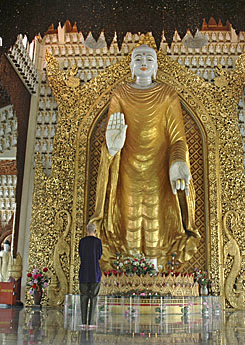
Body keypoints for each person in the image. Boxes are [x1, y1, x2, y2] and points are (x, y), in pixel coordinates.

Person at [90, 36, 199, 269]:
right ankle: (128, 272)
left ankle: (156, 271)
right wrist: (112, 146)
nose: (143, 61)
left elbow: (177, 138)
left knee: (156, 220)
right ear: (130, 65)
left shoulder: (167, 94)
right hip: (127, 165)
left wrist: (178, 161)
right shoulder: (120, 94)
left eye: (149, 58)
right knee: (128, 215)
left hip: (159, 168)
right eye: (137, 57)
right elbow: (113, 131)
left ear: (156, 65)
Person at [79, 223, 102, 329]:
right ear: (95, 231)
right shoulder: (98, 242)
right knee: (94, 297)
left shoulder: (82, 242)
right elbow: (99, 255)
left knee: (84, 297)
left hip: (84, 271)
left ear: (86, 230)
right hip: (95, 272)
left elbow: (80, 255)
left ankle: (83, 322)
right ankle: (91, 322)